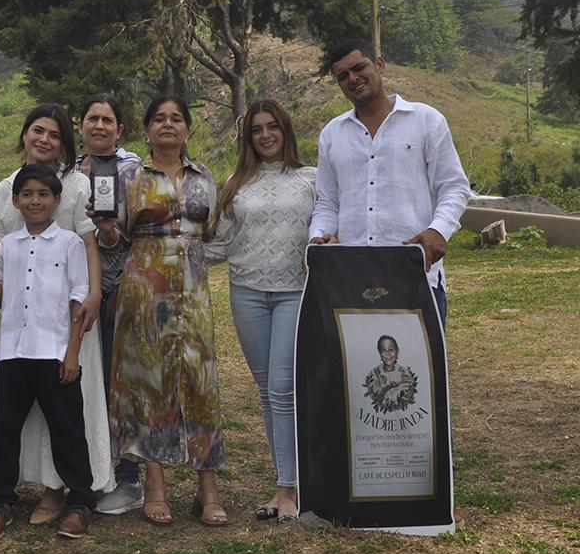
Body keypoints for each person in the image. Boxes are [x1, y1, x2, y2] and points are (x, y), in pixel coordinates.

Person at [0, 104, 111, 525]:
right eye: (37, 130)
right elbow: (1, 255)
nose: (44, 139)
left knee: (65, 419)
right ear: (25, 134)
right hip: (18, 333)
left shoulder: (76, 187)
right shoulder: (6, 188)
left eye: (55, 134)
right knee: (7, 417)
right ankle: (0, 490)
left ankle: (66, 493)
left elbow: (88, 245)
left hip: (64, 325)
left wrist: (94, 293)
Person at [93, 96, 227, 527]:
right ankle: (154, 484)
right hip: (144, 290)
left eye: (176, 118)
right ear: (147, 130)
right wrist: (107, 230)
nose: (168, 124)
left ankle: (208, 488)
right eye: (159, 119)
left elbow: (212, 232)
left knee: (201, 380)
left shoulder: (204, 176)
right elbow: (114, 241)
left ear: (187, 129)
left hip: (194, 292)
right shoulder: (128, 177)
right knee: (148, 380)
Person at [309, 39, 470, 326]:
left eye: (359, 68)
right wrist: (318, 238)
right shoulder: (332, 134)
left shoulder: (426, 120)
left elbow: (453, 186)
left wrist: (438, 231)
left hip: (415, 272)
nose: (353, 79)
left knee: (421, 357)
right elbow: (328, 202)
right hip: (351, 279)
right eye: (343, 76)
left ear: (380, 65)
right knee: (357, 357)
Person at [209, 99, 315, 523]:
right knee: (267, 391)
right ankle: (286, 482)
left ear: (286, 130)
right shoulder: (236, 184)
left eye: (273, 126)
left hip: (294, 292)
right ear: (248, 138)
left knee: (283, 389)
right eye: (257, 129)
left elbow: (329, 228)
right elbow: (220, 243)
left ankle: (289, 490)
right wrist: (169, 248)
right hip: (247, 293)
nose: (266, 135)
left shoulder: (311, 180)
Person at [72, 93, 145, 516]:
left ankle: (129, 476)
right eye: (92, 118)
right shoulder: (68, 169)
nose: (99, 126)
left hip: (119, 289)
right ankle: (89, 467)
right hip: (76, 293)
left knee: (123, 382)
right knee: (85, 382)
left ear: (120, 129)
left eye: (107, 120)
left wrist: (111, 234)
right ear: (81, 125)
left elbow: (136, 233)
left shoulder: (133, 170)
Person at [363, 335, 418, 413]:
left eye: (391, 350)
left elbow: (410, 401)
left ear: (397, 352)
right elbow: (374, 401)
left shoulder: (406, 374)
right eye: (384, 350)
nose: (387, 353)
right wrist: (386, 388)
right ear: (380, 353)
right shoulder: (374, 374)